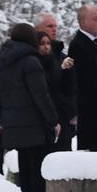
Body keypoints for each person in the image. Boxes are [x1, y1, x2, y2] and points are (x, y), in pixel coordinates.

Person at [0, 23, 60, 192]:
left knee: (25, 166)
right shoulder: (31, 62)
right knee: (38, 169)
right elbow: (41, 94)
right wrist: (53, 120)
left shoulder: (3, 62)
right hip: (34, 123)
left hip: (13, 123)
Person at [68, 2, 97, 150]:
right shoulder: (79, 45)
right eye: (95, 18)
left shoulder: (96, 44)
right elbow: (90, 78)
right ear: (83, 22)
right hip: (92, 111)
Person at [34, 11, 76, 149]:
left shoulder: (61, 55)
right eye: (49, 26)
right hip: (45, 119)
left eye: (55, 26)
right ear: (38, 29)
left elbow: (70, 87)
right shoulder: (33, 58)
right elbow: (47, 87)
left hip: (65, 117)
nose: (54, 29)